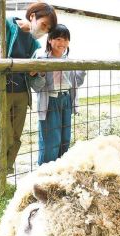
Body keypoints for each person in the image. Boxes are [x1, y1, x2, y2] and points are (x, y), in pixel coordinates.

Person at [0, 2, 57, 174]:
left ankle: (5, 171)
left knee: (16, 136)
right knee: (4, 134)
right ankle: (0, 172)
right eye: (44, 24)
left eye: (48, 29)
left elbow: (33, 72)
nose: (45, 30)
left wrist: (33, 72)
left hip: (22, 93)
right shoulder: (2, 24)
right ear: (32, 16)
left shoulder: (34, 44)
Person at [30, 24, 86, 165]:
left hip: (66, 100)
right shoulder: (41, 59)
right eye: (59, 39)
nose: (63, 43)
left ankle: (60, 171)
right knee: (50, 140)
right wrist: (41, 74)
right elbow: (36, 86)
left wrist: (84, 69)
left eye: (66, 40)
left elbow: (76, 83)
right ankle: (44, 173)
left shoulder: (69, 61)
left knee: (65, 139)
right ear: (50, 40)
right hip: (50, 101)